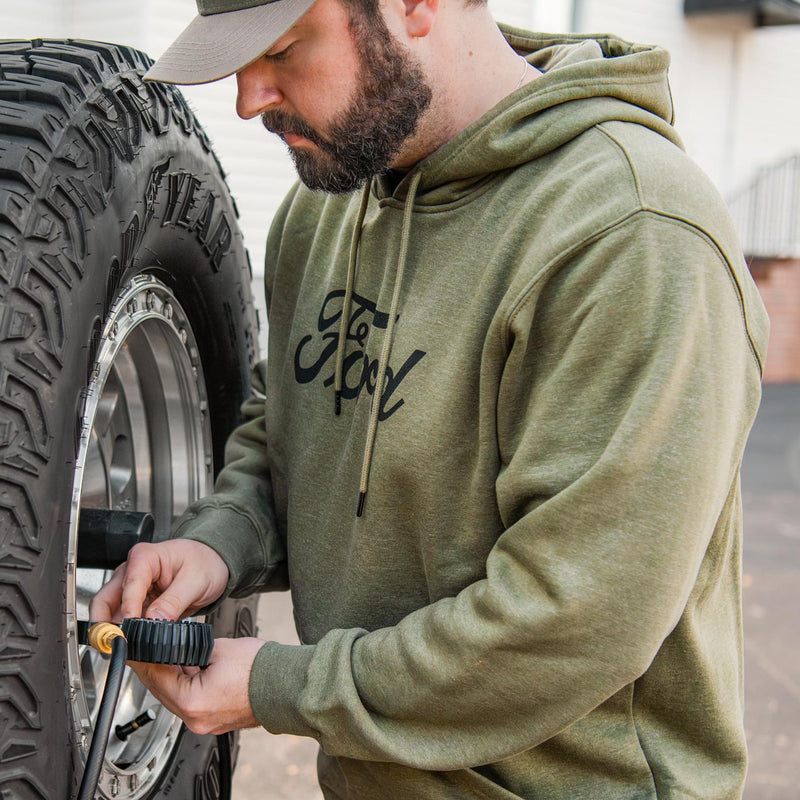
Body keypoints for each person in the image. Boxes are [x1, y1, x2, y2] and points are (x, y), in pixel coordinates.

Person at [91, 0, 770, 796]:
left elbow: (564, 628)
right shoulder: (324, 209)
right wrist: (216, 545)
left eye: (280, 50)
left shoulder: (634, 238)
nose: (248, 98)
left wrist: (280, 686)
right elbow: (285, 433)